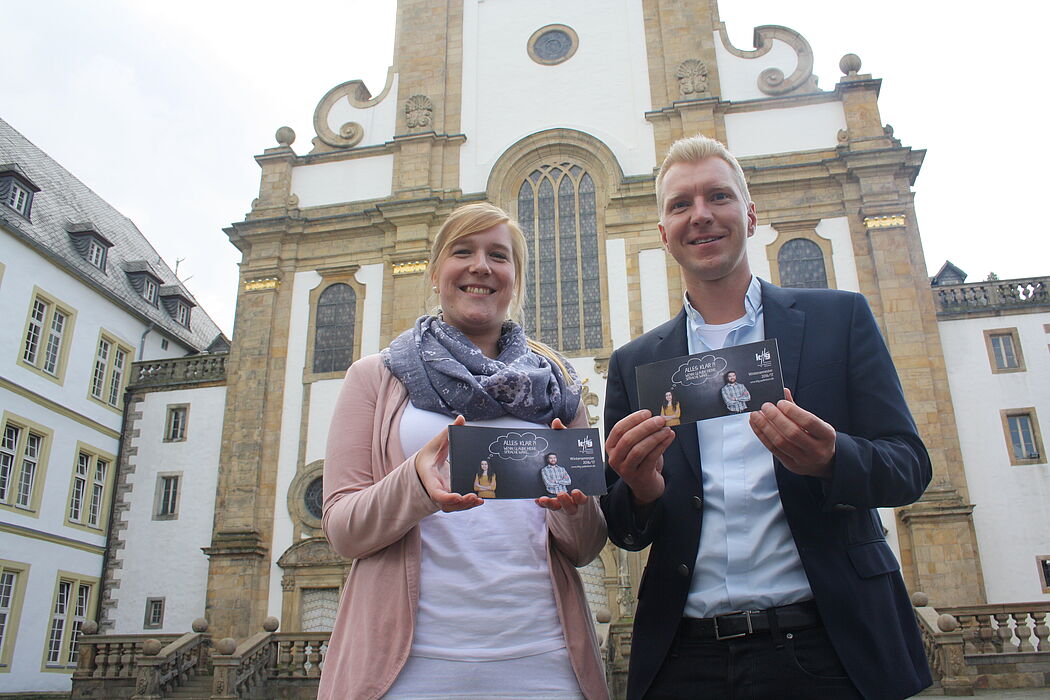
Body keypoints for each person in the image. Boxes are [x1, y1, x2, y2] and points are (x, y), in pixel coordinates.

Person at [601, 135, 932, 700]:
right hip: (687, 656)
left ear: (750, 215)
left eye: (718, 198)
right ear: (663, 233)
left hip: (826, 645)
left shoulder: (839, 319)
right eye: (680, 205)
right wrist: (641, 491)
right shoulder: (637, 364)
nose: (700, 215)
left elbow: (909, 467)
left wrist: (832, 460)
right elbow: (626, 531)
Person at [320, 202, 609, 700]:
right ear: (435, 273)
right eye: (463, 251)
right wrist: (413, 485)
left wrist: (574, 510)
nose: (481, 265)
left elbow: (584, 548)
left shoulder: (557, 385)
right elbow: (342, 529)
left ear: (514, 280)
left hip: (544, 660)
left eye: (499, 255)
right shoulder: (377, 376)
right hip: (410, 667)